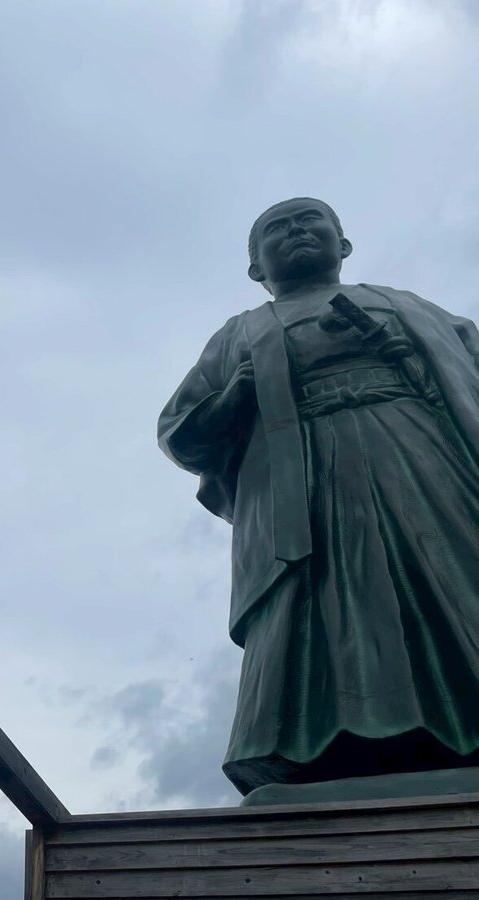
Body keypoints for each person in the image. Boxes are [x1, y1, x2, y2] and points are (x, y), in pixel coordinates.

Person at [159, 198, 479, 800]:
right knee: (324, 598)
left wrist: (412, 361)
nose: (298, 231)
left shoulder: (405, 306)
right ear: (257, 268)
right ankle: (318, 742)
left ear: (344, 245)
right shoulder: (240, 334)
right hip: (299, 481)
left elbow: (471, 371)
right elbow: (180, 431)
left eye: (312, 221)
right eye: (277, 230)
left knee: (450, 571)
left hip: (418, 456)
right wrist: (236, 394)